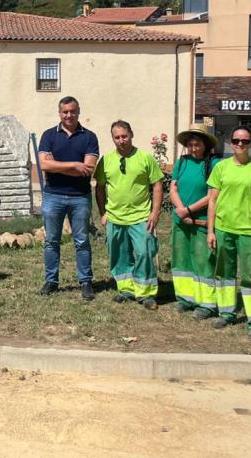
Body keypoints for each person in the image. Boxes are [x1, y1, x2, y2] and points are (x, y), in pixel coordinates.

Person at [206, 126, 251, 339]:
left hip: (249, 230)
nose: (240, 144)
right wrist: (211, 231)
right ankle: (226, 312)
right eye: (236, 141)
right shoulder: (221, 167)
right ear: (230, 143)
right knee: (224, 273)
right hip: (224, 229)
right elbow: (212, 201)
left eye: (245, 141)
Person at [94, 120, 164, 310]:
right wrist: (102, 213)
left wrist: (155, 213)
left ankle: (146, 293)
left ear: (131, 135)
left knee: (145, 252)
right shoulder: (106, 160)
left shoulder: (145, 158)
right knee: (119, 255)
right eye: (117, 137)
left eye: (124, 136)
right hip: (115, 218)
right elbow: (99, 188)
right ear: (112, 139)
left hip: (141, 217)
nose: (121, 140)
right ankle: (126, 289)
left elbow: (157, 184)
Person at [37, 96, 100, 300]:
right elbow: (44, 165)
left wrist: (58, 165)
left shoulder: (90, 137)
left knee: (82, 241)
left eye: (73, 111)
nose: (69, 115)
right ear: (60, 113)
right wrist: (74, 165)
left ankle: (85, 282)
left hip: (79, 197)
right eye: (65, 111)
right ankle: (51, 281)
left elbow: (88, 170)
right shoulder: (48, 135)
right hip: (52, 196)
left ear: (78, 111)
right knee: (51, 241)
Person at [170, 124, 220, 315]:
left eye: (197, 144)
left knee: (203, 260)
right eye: (190, 144)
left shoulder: (214, 164)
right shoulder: (181, 162)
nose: (193, 148)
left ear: (205, 145)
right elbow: (173, 188)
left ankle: (206, 303)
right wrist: (181, 210)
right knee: (181, 260)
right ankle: (185, 298)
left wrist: (189, 210)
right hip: (181, 220)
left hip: (201, 221)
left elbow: (211, 196)